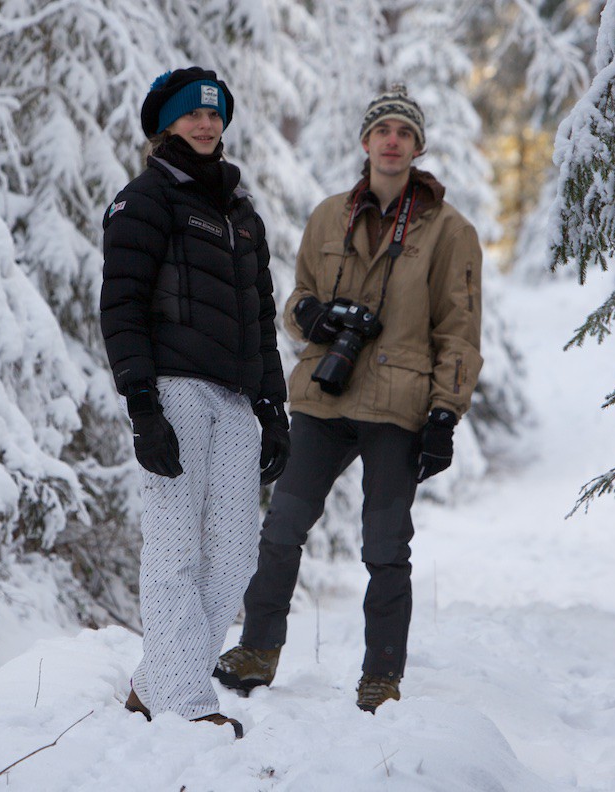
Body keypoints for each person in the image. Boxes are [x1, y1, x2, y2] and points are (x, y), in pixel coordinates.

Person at [214, 84, 482, 713]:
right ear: (366, 142)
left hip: (398, 405)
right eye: (382, 130)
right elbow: (297, 299)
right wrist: (311, 315)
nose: (392, 141)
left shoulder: (450, 231)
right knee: (280, 528)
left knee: (385, 547)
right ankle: (257, 649)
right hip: (324, 399)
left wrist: (445, 412)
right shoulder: (328, 214)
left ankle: (381, 677)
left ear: (417, 148)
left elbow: (460, 330)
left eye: (404, 133)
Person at [100, 67, 290, 738]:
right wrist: (143, 406)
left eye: (214, 115)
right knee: (174, 550)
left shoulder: (243, 214)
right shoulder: (143, 201)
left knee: (235, 556)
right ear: (164, 123)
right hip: (175, 391)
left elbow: (261, 319)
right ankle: (184, 701)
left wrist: (275, 409)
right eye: (191, 115)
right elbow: (119, 308)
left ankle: (155, 682)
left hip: (237, 401)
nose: (205, 125)